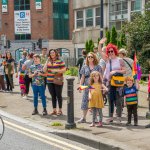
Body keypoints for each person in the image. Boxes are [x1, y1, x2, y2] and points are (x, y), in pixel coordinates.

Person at [103, 43, 126, 124]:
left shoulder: (120, 60)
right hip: (110, 83)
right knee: (110, 100)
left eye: (111, 51)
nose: (110, 53)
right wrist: (100, 44)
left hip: (118, 83)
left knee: (118, 101)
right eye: (108, 51)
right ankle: (111, 117)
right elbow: (99, 52)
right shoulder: (107, 60)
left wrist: (115, 71)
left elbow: (124, 70)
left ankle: (118, 117)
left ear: (115, 51)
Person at [77, 52, 102, 123]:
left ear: (94, 58)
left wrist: (101, 86)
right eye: (88, 57)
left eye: (91, 57)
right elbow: (82, 77)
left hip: (95, 87)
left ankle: (95, 118)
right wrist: (80, 86)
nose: (90, 58)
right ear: (87, 58)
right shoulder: (84, 66)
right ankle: (84, 118)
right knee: (85, 101)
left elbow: (100, 77)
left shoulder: (98, 67)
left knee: (95, 102)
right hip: (86, 86)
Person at [43, 49, 66, 116]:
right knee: (53, 96)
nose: (52, 54)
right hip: (49, 80)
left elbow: (64, 70)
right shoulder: (48, 61)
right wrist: (47, 61)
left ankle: (60, 110)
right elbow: (44, 70)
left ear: (56, 53)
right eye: (50, 53)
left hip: (58, 80)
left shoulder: (60, 60)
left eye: (53, 53)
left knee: (58, 95)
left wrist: (56, 71)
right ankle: (54, 110)